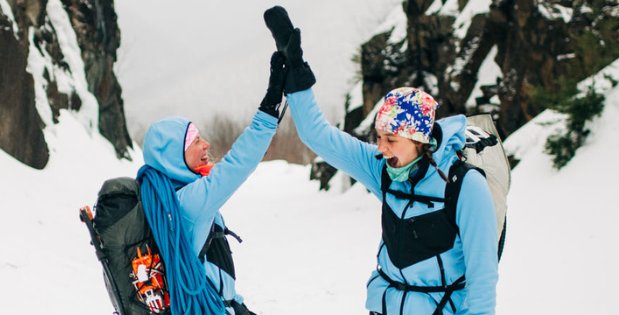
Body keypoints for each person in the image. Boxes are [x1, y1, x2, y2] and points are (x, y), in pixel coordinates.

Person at [262, 6, 499, 315]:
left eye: (391, 139)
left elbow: (483, 281)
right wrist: (295, 71)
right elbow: (317, 135)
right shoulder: (383, 171)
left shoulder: (464, 186)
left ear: (419, 140)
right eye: (379, 136)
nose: (381, 148)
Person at [134, 51, 289, 315]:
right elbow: (238, 164)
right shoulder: (190, 202)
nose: (205, 144)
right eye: (194, 141)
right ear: (173, 156)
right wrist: (271, 103)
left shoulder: (164, 198)